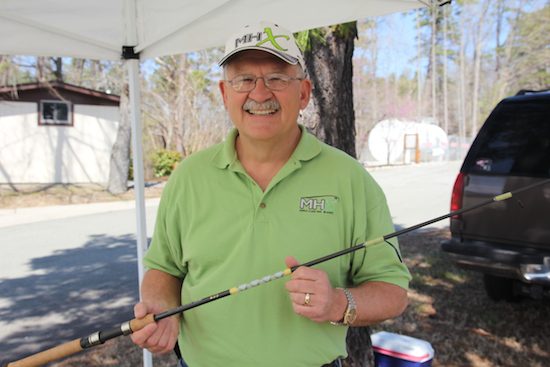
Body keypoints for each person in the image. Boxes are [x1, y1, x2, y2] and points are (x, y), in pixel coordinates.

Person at [131, 21, 411, 367]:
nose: (260, 93)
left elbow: (393, 293)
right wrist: (163, 311)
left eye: (277, 78)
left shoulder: (350, 179)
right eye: (244, 80)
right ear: (224, 93)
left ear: (304, 92)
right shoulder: (189, 177)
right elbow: (162, 268)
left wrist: (338, 303)